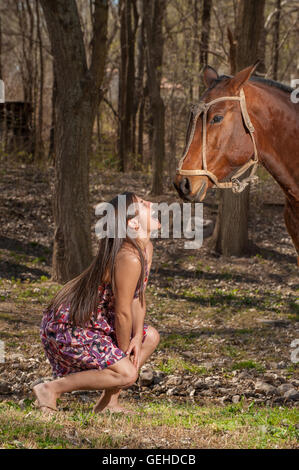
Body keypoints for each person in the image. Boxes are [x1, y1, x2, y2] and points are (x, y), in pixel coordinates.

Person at [33, 192, 160, 415]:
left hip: (97, 322)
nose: (150, 203)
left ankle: (108, 404)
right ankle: (50, 389)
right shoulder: (128, 256)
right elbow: (122, 313)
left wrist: (137, 338)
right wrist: (123, 358)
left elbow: (137, 298)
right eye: (142, 203)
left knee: (150, 337)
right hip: (70, 325)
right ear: (132, 223)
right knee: (128, 373)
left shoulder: (145, 248)